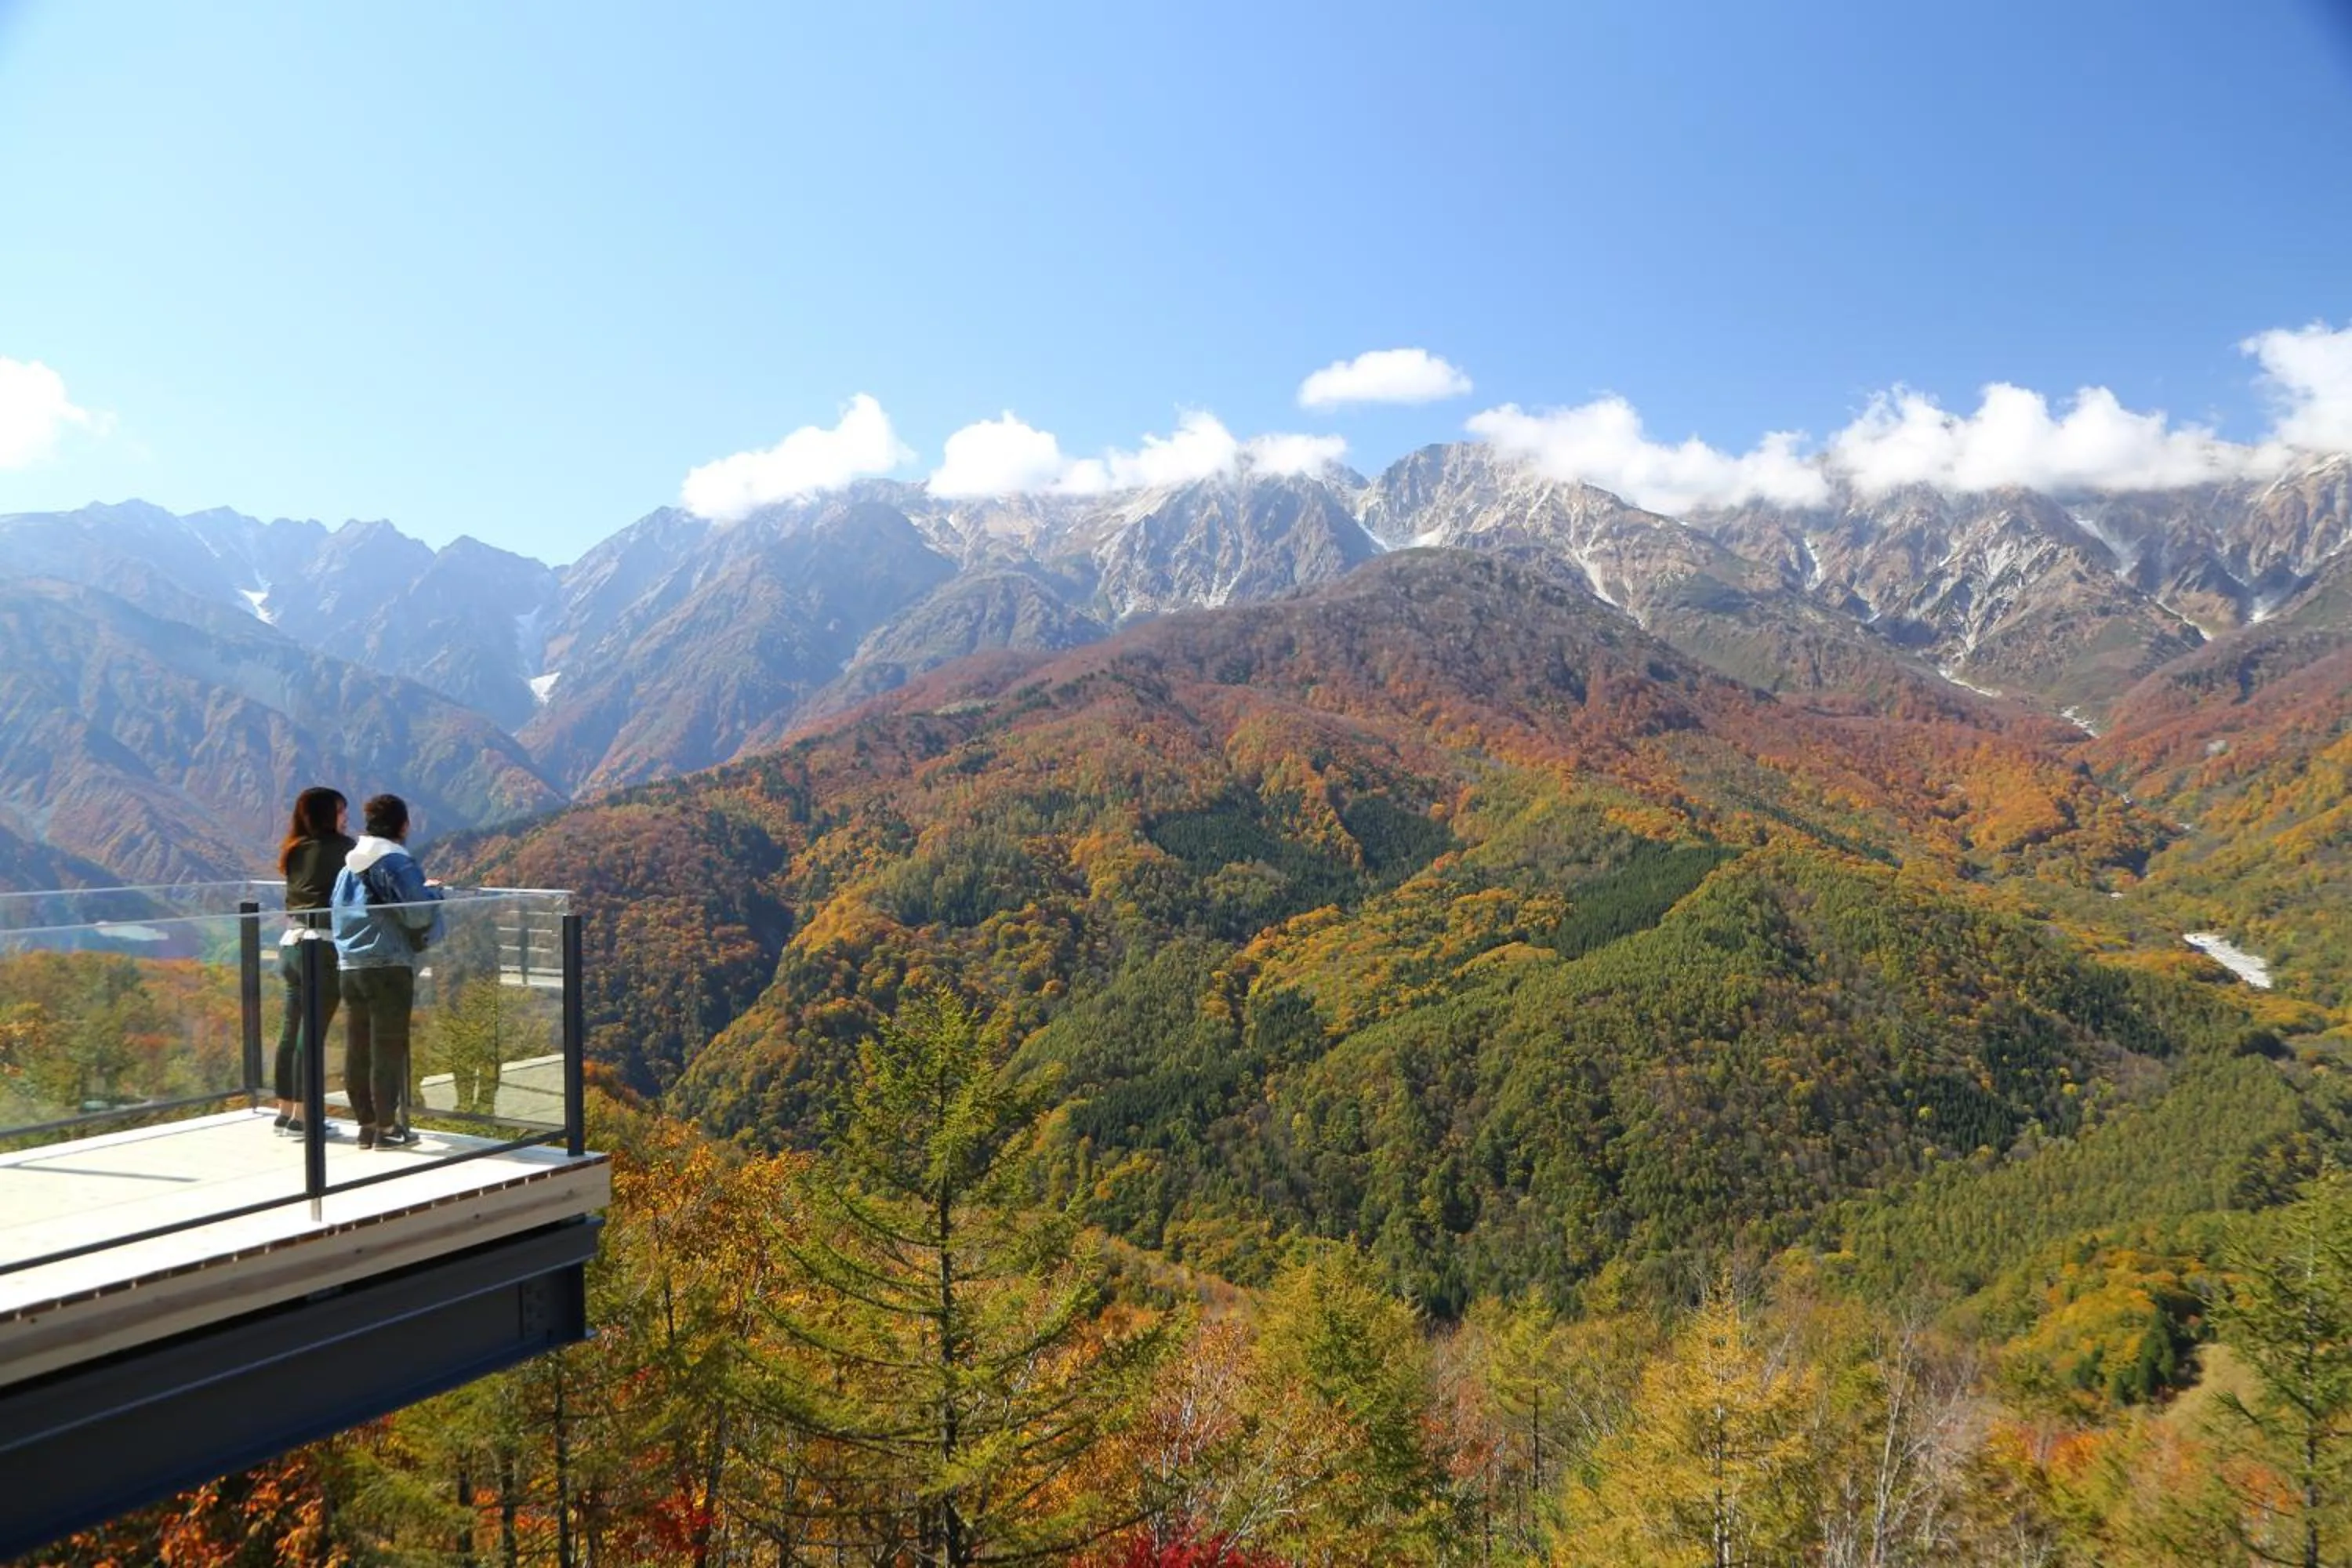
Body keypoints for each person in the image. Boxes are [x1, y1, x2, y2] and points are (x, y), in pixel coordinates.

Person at [331, 793, 445, 1150]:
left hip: (350, 964)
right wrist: (435, 895)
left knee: (358, 1047)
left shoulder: (348, 865)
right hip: (389, 963)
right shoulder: (394, 861)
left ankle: (366, 1125)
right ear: (403, 825)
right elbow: (416, 914)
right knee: (388, 1047)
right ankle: (387, 1127)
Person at [274, 786, 354, 1138]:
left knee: (291, 1031)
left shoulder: (294, 850)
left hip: (292, 945)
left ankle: (286, 1113)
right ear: (328, 815)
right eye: (340, 811)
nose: (345, 817)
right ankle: (306, 1120)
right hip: (324, 948)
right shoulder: (344, 850)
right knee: (313, 1035)